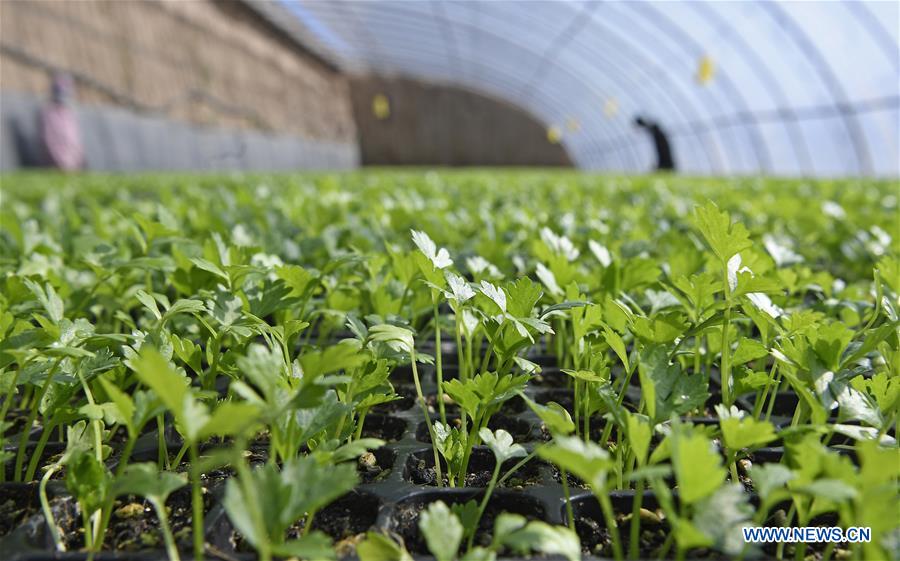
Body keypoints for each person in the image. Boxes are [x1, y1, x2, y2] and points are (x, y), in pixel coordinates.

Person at [41, 73, 84, 171]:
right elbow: (49, 138)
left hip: (72, 158)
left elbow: (75, 138)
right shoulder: (49, 111)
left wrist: (77, 157)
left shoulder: (70, 112)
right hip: (56, 159)